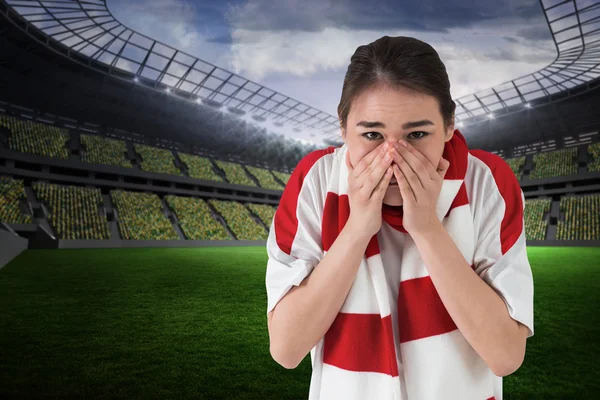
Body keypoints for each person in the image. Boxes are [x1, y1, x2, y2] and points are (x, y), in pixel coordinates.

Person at [265, 35, 534, 400]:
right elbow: (286, 348)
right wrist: (358, 227)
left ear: (450, 126)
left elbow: (505, 355)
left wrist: (426, 228)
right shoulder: (314, 181)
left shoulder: (488, 182)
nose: (393, 159)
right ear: (343, 128)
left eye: (418, 134)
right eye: (372, 134)